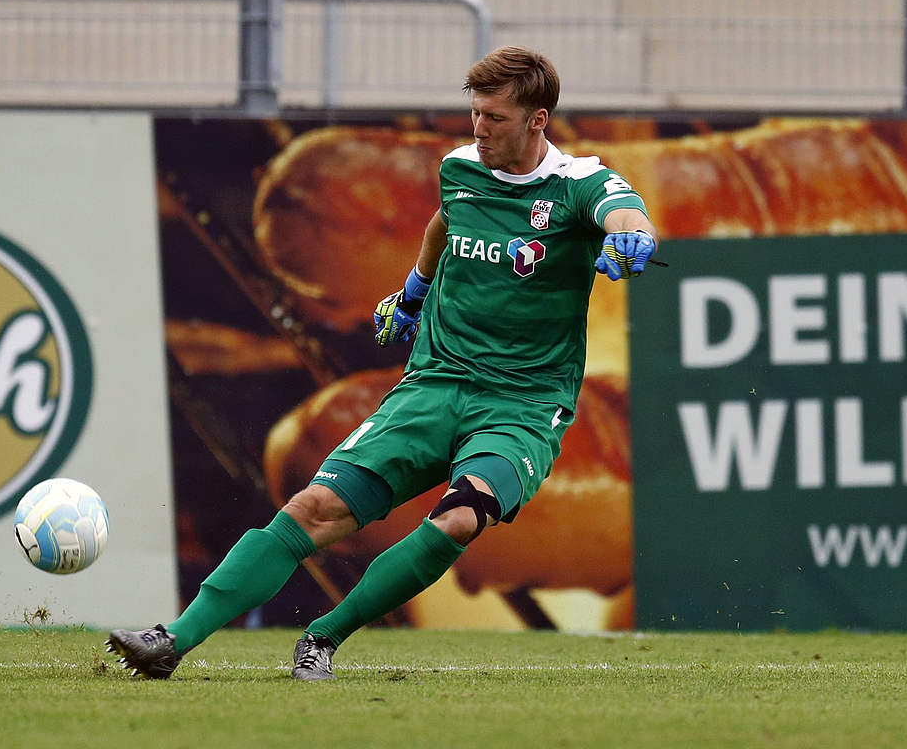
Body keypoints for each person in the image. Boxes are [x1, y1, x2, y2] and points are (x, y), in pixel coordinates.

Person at [107, 45, 659, 680]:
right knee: (311, 510)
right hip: (434, 386)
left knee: (458, 518)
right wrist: (414, 293)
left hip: (523, 405)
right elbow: (443, 225)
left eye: (494, 118)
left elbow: (623, 208)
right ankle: (170, 640)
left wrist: (631, 233)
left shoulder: (581, 184)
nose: (478, 128)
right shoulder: (461, 167)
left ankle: (324, 637)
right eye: (474, 113)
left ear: (537, 121)